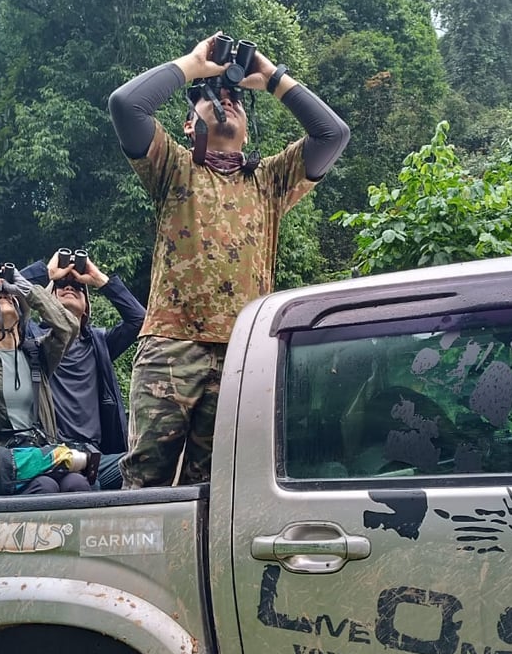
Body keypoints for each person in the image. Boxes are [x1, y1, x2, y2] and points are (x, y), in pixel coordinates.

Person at [108, 32, 350, 487]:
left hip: (243, 355)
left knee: (219, 491)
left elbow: (333, 134)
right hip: (171, 347)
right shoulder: (174, 167)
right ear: (187, 125)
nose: (227, 101)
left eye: (234, 97)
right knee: (146, 483)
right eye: (212, 98)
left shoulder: (271, 180)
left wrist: (273, 77)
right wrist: (195, 65)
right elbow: (126, 106)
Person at [0, 263, 92, 497]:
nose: (2, 297)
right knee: (44, 487)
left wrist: (27, 289)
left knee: (77, 484)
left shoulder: (37, 354)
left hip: (33, 459)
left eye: (9, 297)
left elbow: (68, 326)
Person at [22, 249, 145, 489]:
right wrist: (46, 273)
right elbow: (6, 294)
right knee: (85, 486)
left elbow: (139, 320)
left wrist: (100, 279)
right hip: (52, 452)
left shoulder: (99, 343)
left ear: (87, 308)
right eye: (60, 286)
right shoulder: (32, 340)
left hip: (93, 454)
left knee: (144, 465)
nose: (70, 287)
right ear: (46, 302)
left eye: (78, 288)